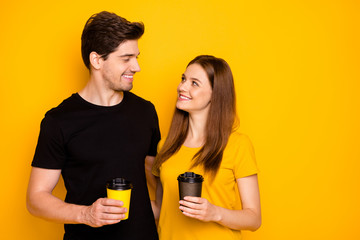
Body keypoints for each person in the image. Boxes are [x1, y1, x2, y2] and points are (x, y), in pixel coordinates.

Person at [26, 11, 160, 240]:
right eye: (126, 59)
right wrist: (86, 214)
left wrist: (158, 210)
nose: (136, 67)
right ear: (97, 60)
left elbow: (155, 171)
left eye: (137, 57)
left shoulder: (145, 111)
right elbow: (35, 198)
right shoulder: (59, 120)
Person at [152, 55, 261, 239]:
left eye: (194, 83)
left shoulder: (237, 144)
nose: (182, 87)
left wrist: (214, 213)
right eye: (183, 79)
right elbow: (160, 209)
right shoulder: (166, 146)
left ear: (215, 94)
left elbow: (254, 219)